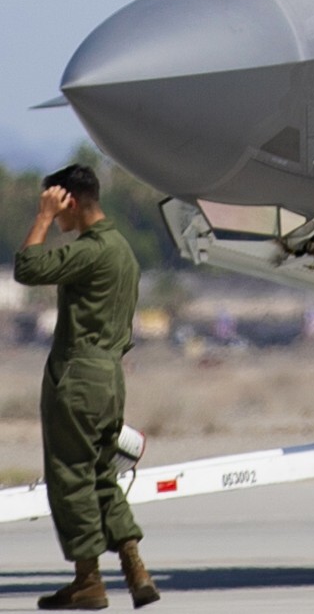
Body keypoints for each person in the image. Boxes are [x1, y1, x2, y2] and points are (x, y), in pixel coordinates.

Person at [14, 166, 159, 608]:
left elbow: (28, 266)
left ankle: (88, 580)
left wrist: (40, 219)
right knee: (101, 475)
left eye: (58, 207)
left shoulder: (93, 250)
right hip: (110, 377)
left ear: (71, 202)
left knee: (70, 477)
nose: (55, 217)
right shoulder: (122, 251)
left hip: (78, 376)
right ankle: (136, 571)